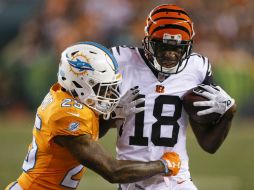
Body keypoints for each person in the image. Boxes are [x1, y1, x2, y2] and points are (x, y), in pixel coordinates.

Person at [5, 42, 182, 190]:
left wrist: (112, 116)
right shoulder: (66, 115)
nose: (109, 94)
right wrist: (163, 165)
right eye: (102, 87)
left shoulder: (68, 96)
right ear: (80, 82)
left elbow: (88, 138)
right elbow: (113, 172)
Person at [103, 4, 237, 190]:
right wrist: (112, 113)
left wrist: (229, 112)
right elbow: (95, 130)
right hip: (132, 178)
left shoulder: (196, 68)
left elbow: (209, 145)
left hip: (177, 179)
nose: (170, 54)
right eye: (163, 47)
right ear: (148, 42)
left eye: (178, 48)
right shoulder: (120, 61)